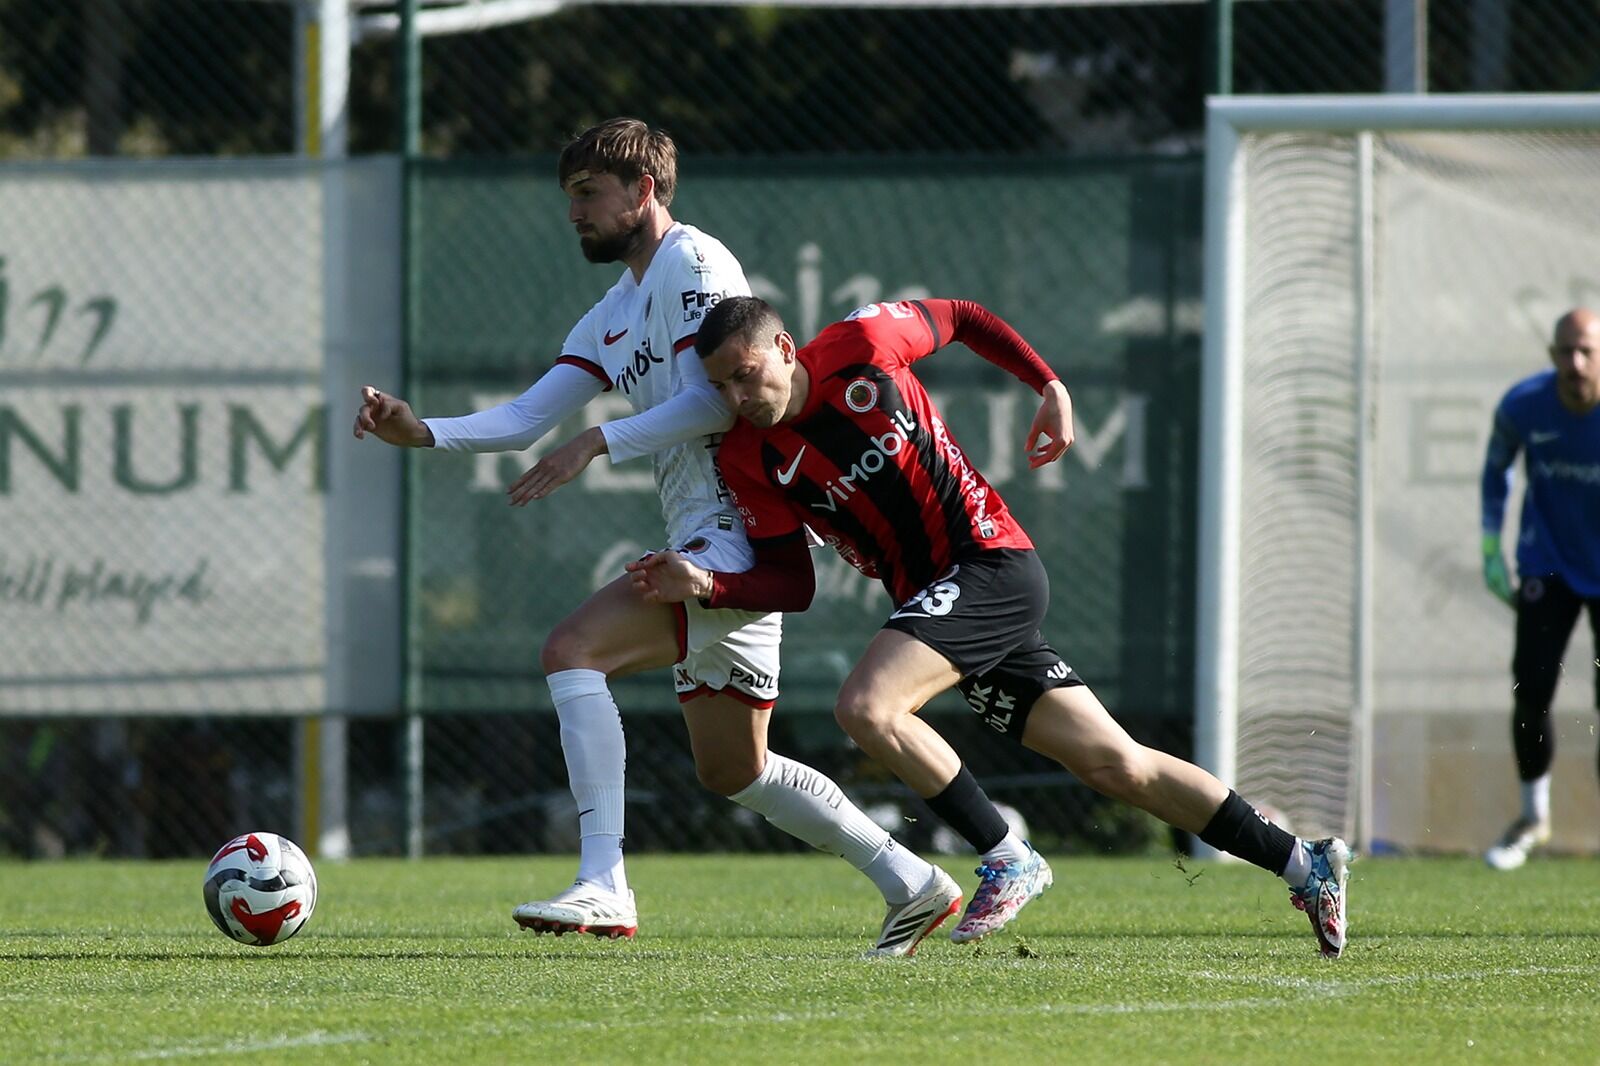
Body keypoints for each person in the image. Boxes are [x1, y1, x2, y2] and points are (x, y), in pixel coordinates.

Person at [354, 119, 960, 956]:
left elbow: (722, 399)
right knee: (733, 770)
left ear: (643, 191)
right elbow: (529, 417)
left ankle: (603, 882)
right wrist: (424, 433)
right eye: (570, 198)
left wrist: (596, 442)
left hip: (734, 537)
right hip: (701, 538)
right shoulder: (614, 310)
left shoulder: (696, 265)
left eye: (588, 195)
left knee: (572, 650)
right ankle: (912, 881)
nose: (575, 213)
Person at [628, 295, 1354, 957]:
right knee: (1117, 765)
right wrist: (708, 583)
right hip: (946, 604)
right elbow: (794, 583)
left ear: (784, 347)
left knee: (867, 707)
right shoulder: (751, 458)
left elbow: (965, 317)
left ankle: (1007, 855)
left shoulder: (864, 342)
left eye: (745, 375)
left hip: (989, 564)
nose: (736, 398)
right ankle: (1303, 861)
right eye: (719, 387)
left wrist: (1049, 386)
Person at [1480, 307, 1600, 871]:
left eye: (1586, 351)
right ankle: (1532, 816)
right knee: (1530, 692)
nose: (1575, 363)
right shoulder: (1524, 405)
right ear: (1552, 354)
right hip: (1547, 565)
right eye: (1565, 351)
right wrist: (1489, 546)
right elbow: (1497, 465)